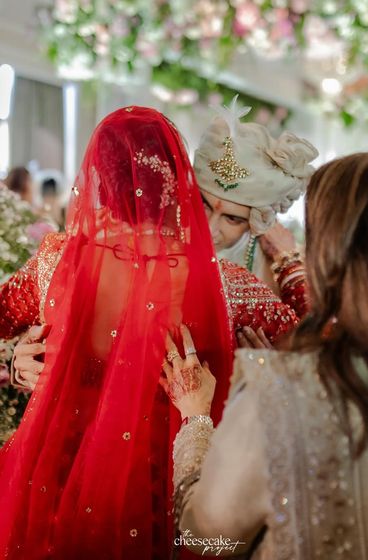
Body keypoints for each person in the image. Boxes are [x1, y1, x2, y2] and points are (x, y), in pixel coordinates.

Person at [0, 106, 298, 559]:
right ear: (179, 181)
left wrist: (13, 356)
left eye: (233, 217)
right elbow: (333, 346)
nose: (216, 227)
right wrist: (293, 266)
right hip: (163, 498)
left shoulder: (52, 263)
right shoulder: (226, 288)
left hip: (47, 483)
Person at [163, 153, 368, 558]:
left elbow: (207, 538)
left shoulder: (288, 390)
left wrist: (196, 419)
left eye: (232, 217)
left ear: (329, 252)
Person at [194, 95, 318, 315]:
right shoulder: (154, 242)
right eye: (203, 204)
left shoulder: (279, 270)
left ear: (258, 222)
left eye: (232, 219)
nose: (209, 228)